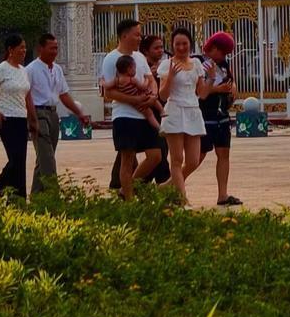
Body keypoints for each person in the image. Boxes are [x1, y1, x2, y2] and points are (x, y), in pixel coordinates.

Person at [100, 19, 163, 200]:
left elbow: (150, 79)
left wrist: (153, 95)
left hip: (145, 116)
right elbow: (109, 92)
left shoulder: (140, 57)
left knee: (155, 156)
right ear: (125, 35)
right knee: (127, 159)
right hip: (125, 116)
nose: (139, 38)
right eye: (136, 34)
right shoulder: (111, 58)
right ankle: (129, 201)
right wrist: (134, 99)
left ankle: (125, 189)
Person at [26, 32, 91, 194]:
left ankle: (37, 195)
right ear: (40, 48)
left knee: (44, 158)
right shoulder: (30, 70)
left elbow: (63, 95)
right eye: (51, 48)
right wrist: (32, 119)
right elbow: (25, 96)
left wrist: (79, 113)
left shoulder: (57, 69)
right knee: (47, 157)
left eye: (56, 48)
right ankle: (53, 194)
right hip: (38, 113)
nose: (55, 52)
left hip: (53, 114)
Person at [0, 32, 37, 200]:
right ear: (11, 50)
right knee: (14, 160)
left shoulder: (23, 70)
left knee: (20, 161)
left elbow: (27, 95)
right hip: (7, 119)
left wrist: (32, 118)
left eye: (25, 48)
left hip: (21, 118)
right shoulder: (1, 68)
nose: (24, 51)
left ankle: (17, 198)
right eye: (21, 48)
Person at [159, 27, 209, 203]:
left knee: (194, 160)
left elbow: (202, 93)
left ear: (190, 44)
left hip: (193, 111)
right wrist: (170, 77)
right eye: (177, 44)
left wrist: (210, 78)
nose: (181, 47)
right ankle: (182, 199)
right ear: (172, 45)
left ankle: (167, 186)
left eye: (185, 43)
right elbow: (163, 95)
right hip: (174, 110)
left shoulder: (196, 64)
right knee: (177, 159)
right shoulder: (167, 65)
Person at [198, 31, 241, 207]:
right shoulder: (199, 63)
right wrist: (219, 89)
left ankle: (222, 194)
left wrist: (232, 89)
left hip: (221, 115)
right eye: (222, 52)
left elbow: (229, 81)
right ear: (213, 48)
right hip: (205, 115)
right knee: (197, 157)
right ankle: (173, 185)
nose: (224, 57)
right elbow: (199, 92)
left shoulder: (223, 64)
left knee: (223, 154)